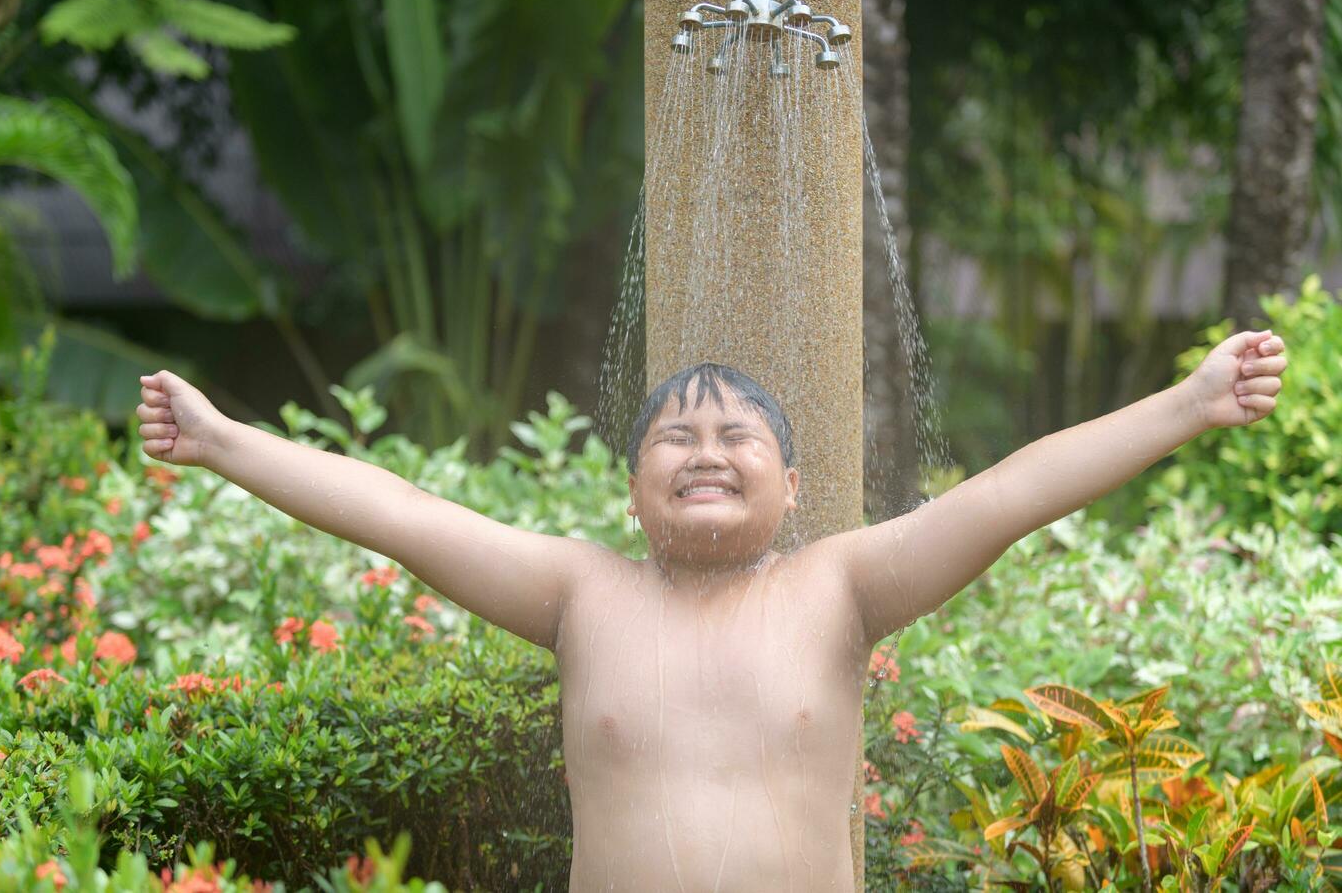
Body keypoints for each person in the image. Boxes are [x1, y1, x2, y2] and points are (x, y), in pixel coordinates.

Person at [135, 328, 1288, 891]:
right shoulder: (579, 591)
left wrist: (1184, 404)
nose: (704, 452)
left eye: (738, 437)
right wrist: (223, 440)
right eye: (673, 438)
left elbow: (1006, 494)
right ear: (630, 484)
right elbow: (399, 511)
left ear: (792, 486)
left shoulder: (839, 586)